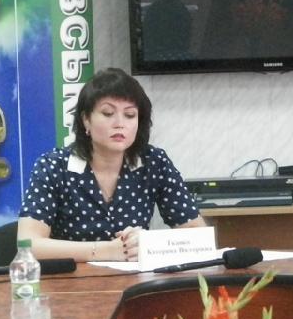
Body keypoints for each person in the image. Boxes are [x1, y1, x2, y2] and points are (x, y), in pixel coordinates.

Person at [18, 68, 206, 262]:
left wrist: (148, 243)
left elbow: (199, 236)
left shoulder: (154, 162)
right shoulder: (54, 166)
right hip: (72, 279)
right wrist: (107, 251)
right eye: (108, 113)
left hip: (135, 278)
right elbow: (29, 245)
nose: (119, 123)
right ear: (86, 120)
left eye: (130, 115)